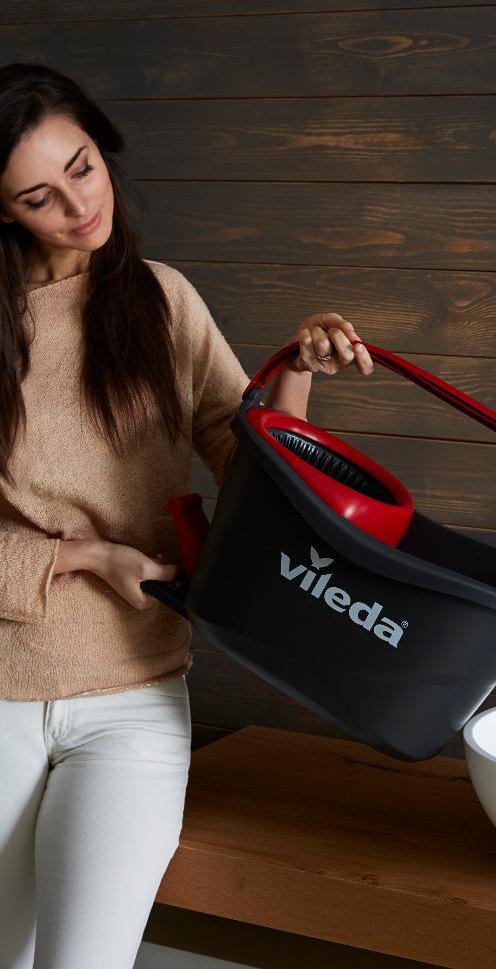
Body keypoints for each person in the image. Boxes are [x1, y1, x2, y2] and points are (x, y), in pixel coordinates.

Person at [0, 62, 374, 969]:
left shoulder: (160, 299)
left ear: (102, 147)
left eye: (83, 168)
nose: (79, 206)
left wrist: (295, 375)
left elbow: (255, 475)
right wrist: (86, 558)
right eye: (39, 197)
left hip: (132, 697)